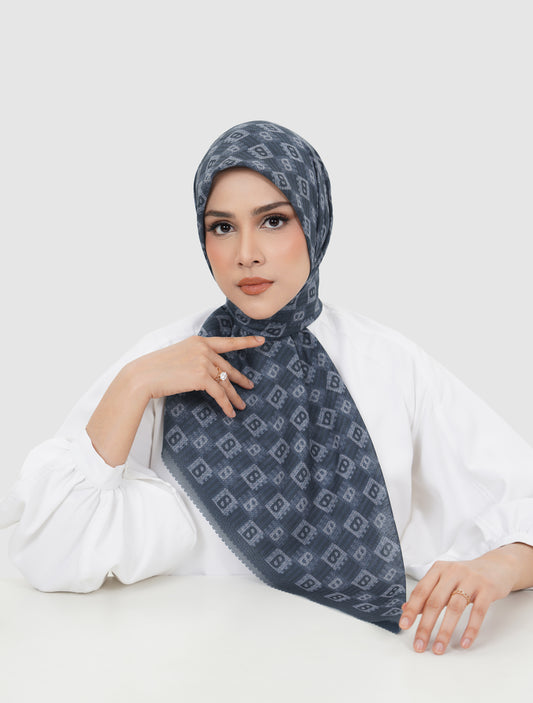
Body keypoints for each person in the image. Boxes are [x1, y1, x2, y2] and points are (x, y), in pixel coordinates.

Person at [1, 120, 533, 653]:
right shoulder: (163, 362)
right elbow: (49, 552)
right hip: (179, 665)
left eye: (273, 221)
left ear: (315, 220)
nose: (246, 254)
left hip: (363, 665)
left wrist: (503, 565)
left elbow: (517, 491)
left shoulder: (388, 363)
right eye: (222, 227)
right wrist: (134, 382)